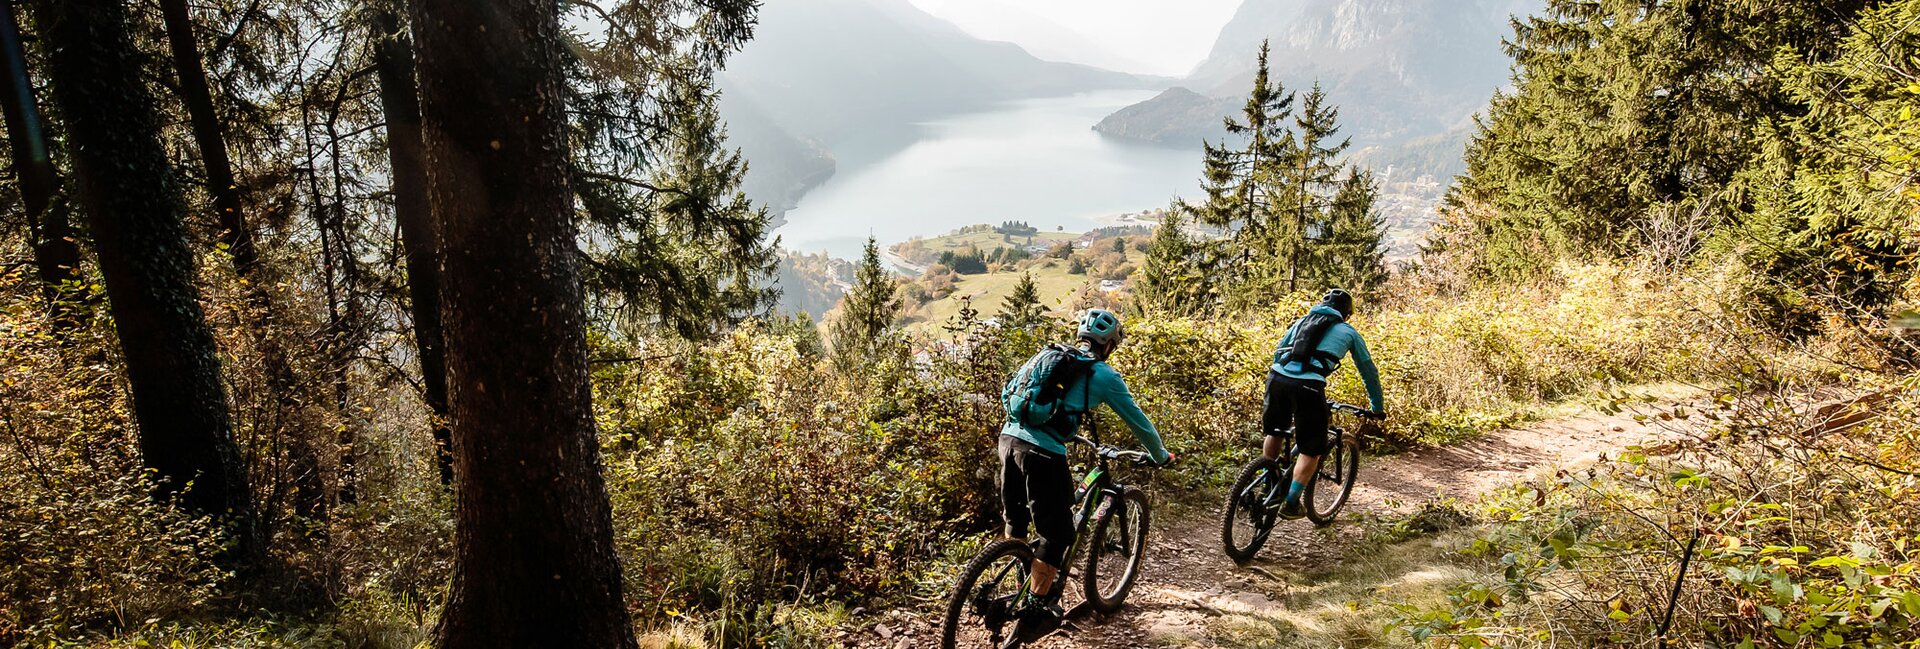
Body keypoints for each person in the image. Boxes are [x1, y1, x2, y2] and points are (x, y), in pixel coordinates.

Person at [999, 308, 1172, 632]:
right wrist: (1160, 455)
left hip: (1008, 440)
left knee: (1017, 521)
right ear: (1109, 345)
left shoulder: (1051, 355)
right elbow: (1138, 421)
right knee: (1057, 535)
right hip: (1043, 453)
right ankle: (1035, 608)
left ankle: (1020, 581)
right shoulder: (1103, 374)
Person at [1263, 289, 1385, 519]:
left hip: (1276, 378)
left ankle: (1268, 483)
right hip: (1309, 386)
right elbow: (1368, 370)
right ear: (1346, 315)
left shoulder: (1302, 321)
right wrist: (1377, 407)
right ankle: (1291, 504)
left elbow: (1279, 351)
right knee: (1311, 449)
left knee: (1275, 431)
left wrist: (1281, 379)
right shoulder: (1349, 332)